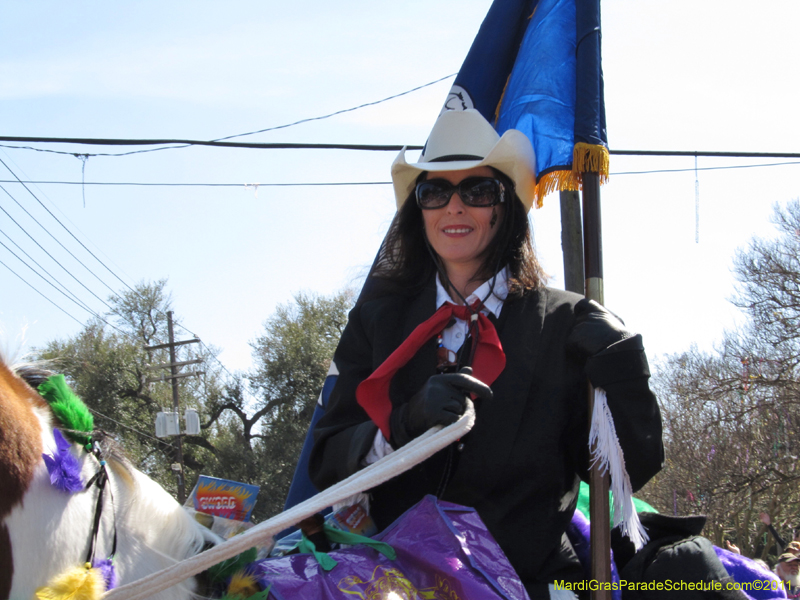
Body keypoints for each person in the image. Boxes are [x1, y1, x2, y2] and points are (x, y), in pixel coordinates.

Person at [309, 109, 664, 600]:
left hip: (526, 586)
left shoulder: (566, 323)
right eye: (435, 192)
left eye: (477, 191)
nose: (454, 207)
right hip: (391, 584)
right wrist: (404, 424)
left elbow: (627, 470)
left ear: (505, 207)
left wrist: (625, 369)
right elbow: (326, 462)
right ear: (419, 210)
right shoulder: (376, 320)